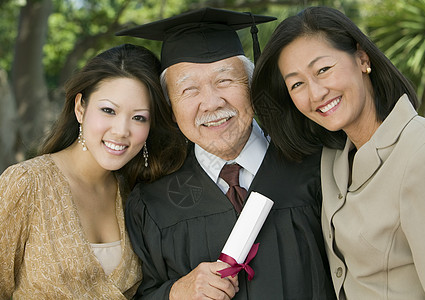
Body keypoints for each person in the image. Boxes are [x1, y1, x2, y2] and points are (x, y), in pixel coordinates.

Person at [117, 7, 335, 299]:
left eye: (225, 81)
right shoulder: (152, 205)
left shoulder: (318, 168)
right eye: (189, 90)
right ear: (170, 108)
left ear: (253, 87)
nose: (211, 102)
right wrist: (175, 293)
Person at [251, 6, 425, 299]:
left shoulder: (424, 152)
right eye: (297, 84)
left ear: (362, 59)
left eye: (323, 70)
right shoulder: (333, 158)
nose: (315, 93)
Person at [0, 43, 187, 299]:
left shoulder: (135, 194)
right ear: (80, 108)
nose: (121, 130)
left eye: (139, 117)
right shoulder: (27, 183)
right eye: (108, 110)